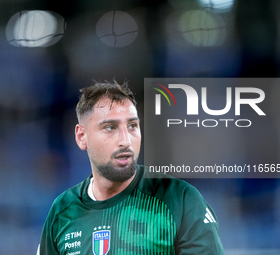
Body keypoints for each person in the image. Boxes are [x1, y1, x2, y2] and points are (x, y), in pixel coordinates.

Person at [38, 80, 224, 255]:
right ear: (81, 136)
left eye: (132, 126)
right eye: (110, 127)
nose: (126, 141)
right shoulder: (62, 211)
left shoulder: (179, 199)